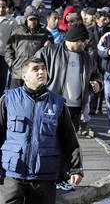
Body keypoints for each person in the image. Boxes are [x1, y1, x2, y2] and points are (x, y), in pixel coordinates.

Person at [0, 57, 83, 204]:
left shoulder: (57, 103)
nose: (41, 71)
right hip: (12, 174)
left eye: (43, 68)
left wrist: (75, 168)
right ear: (24, 76)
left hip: (44, 175)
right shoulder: (8, 99)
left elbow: (69, 138)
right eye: (35, 69)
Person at [35, 24, 102, 135]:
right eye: (84, 41)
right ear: (75, 40)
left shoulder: (87, 58)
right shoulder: (48, 52)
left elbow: (97, 75)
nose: (86, 44)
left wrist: (98, 84)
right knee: (48, 139)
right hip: (52, 104)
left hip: (75, 108)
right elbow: (32, 70)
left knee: (68, 145)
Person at [5, 6, 53, 88]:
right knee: (14, 98)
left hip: (35, 74)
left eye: (35, 19)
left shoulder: (45, 34)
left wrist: (49, 46)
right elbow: (8, 50)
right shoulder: (17, 32)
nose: (33, 22)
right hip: (18, 74)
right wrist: (11, 63)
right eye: (31, 19)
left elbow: (52, 53)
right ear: (26, 19)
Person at [0, 0, 17, 96]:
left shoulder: (12, 21)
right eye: (0, 6)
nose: (1, 9)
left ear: (6, 8)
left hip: (3, 56)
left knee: (2, 81)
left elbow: (14, 40)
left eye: (3, 7)